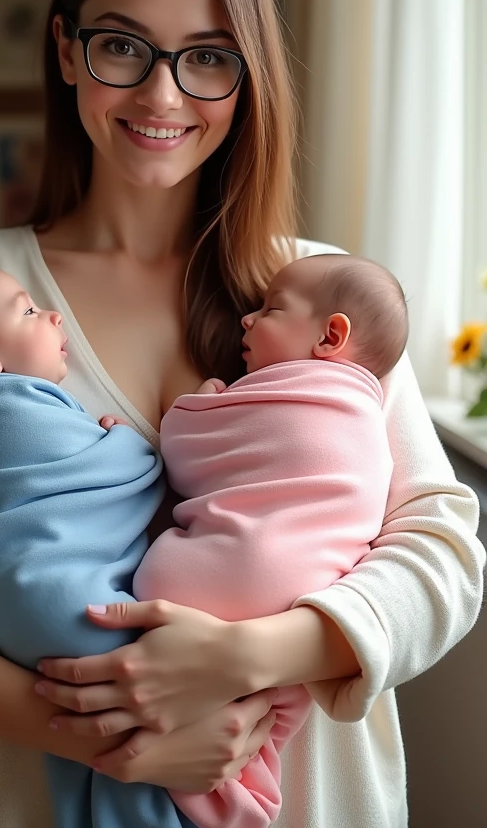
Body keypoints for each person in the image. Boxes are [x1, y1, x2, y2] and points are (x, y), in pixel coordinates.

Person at [0, 0, 484, 828]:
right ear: (66, 50)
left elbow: (443, 552)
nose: (163, 93)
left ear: (248, 78)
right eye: (123, 45)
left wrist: (255, 657)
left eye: (208, 57)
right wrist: (85, 727)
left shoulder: (330, 294)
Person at [0, 262, 191, 828]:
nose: (51, 314)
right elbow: (114, 475)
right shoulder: (7, 407)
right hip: (51, 594)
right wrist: (127, 443)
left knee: (91, 767)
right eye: (26, 310)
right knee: (134, 748)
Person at [137, 251, 408, 827]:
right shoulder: (365, 408)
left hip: (220, 584)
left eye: (270, 309)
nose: (247, 319)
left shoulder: (288, 392)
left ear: (331, 336)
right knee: (269, 726)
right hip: (310, 604)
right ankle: (244, 799)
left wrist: (203, 405)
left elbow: (188, 454)